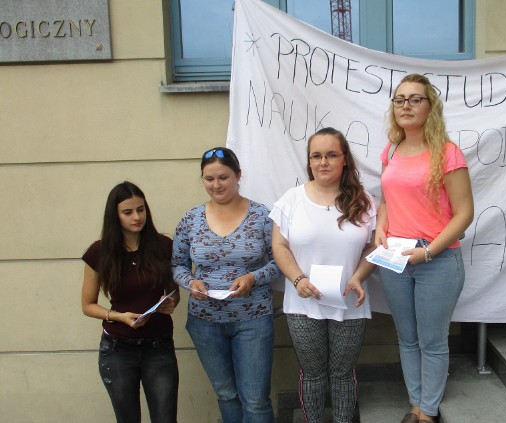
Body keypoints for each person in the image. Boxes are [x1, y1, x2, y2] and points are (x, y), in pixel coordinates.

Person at [375, 73, 474, 423]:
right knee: (407, 338)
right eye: (399, 99)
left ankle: (427, 412)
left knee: (432, 340)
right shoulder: (391, 149)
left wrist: (428, 252)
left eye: (415, 99)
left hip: (437, 259)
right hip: (396, 258)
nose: (405, 105)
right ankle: (414, 405)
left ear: (430, 107)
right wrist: (380, 226)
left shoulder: (448, 153)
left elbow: (464, 214)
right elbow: (388, 199)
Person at [270, 127, 377, 423]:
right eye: (316, 156)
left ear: (345, 160)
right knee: (313, 373)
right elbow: (279, 245)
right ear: (309, 161)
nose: (323, 162)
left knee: (342, 374)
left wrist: (360, 276)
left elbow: (373, 248)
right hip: (303, 303)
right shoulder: (291, 200)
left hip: (350, 302)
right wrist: (297, 279)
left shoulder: (363, 201)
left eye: (331, 155)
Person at [172, 147, 281, 423]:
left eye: (223, 177)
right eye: (209, 179)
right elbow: (178, 265)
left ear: (238, 176)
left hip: (253, 320)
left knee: (255, 401)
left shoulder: (261, 216)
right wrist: (190, 282)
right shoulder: (191, 219)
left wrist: (253, 277)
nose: (216, 185)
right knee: (226, 395)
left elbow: (280, 262)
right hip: (205, 322)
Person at [81, 181, 180, 423]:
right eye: (128, 212)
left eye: (141, 209)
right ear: (114, 215)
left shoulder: (163, 246)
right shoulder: (99, 252)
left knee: (165, 418)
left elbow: (173, 291)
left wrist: (172, 302)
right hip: (117, 349)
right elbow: (88, 305)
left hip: (159, 347)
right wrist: (119, 316)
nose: (137, 217)